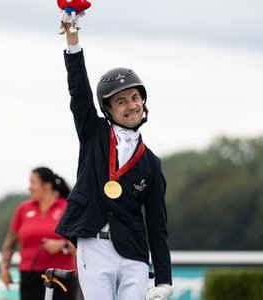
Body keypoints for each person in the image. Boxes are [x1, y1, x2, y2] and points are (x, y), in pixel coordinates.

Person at [54, 21, 174, 300]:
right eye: (121, 101)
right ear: (108, 109)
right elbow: (79, 93)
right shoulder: (93, 134)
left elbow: (157, 223)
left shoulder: (151, 163)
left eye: (135, 98)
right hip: (94, 248)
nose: (131, 105)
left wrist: (164, 280)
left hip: (133, 252)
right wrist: (73, 40)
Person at [0, 167, 79, 300]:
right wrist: (4, 266)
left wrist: (62, 246)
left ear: (47, 185)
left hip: (61, 276)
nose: (29, 188)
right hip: (29, 277)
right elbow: (10, 242)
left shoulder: (67, 208)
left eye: (33, 183)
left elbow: (83, 244)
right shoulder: (23, 209)